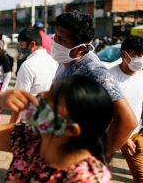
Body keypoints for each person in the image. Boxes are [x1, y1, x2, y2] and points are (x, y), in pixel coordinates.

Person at [0, 75, 114, 182]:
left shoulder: (87, 178)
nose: (41, 94)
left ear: (70, 130)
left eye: (52, 97)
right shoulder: (29, 137)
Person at [51, 11, 137, 158]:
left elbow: (128, 121)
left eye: (61, 39)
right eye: (55, 36)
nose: (55, 42)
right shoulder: (65, 60)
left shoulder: (95, 72)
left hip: (75, 156)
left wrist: (99, 157)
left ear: (81, 49)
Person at [109, 36, 143, 183]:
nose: (140, 60)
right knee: (100, 176)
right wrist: (123, 138)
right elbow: (104, 111)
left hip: (135, 135)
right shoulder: (109, 77)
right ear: (124, 54)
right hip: (110, 136)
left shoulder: (142, 76)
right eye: (137, 56)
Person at [15, 27, 58, 96]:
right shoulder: (53, 61)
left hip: (32, 104)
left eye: (22, 45)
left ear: (32, 44)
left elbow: (20, 96)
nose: (21, 48)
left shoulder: (27, 66)